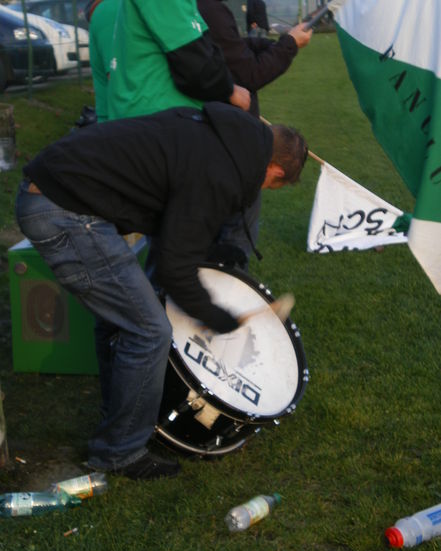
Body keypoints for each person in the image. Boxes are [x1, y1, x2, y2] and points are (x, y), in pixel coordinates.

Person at [15, 103, 308, 480]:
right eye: (270, 185)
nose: (260, 190)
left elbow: (171, 210)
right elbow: (173, 269)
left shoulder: (215, 132)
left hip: (56, 191)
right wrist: (217, 316)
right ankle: (119, 452)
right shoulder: (221, 172)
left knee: (120, 319)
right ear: (275, 170)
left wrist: (211, 252)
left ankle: (117, 419)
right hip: (64, 211)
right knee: (150, 330)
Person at [197, 0, 312, 261]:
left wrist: (279, 45)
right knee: (231, 240)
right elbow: (248, 74)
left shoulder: (204, 8)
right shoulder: (207, 7)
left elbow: (233, 50)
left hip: (207, 138)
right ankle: (226, 289)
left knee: (191, 245)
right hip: (221, 142)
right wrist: (289, 46)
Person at [106, 0, 250, 120]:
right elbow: (196, 66)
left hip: (153, 121)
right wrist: (229, 91)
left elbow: (204, 46)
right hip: (155, 123)